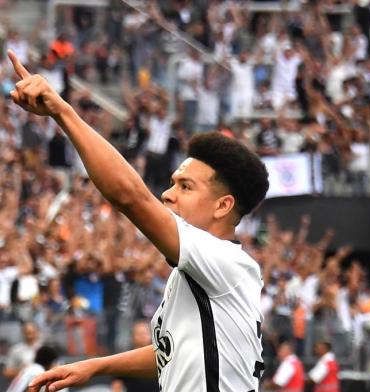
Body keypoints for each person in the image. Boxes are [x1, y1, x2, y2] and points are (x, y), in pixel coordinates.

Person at [7, 50, 269, 392]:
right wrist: (96, 365)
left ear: (223, 206)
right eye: (173, 182)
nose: (167, 194)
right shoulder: (201, 275)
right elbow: (168, 352)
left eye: (185, 186)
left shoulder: (224, 261)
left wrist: (62, 111)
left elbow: (130, 197)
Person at [111, 320, 159, 392]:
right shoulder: (126, 358)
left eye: (145, 333)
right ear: (133, 336)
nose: (143, 336)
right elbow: (117, 383)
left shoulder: (159, 356)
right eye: (140, 334)